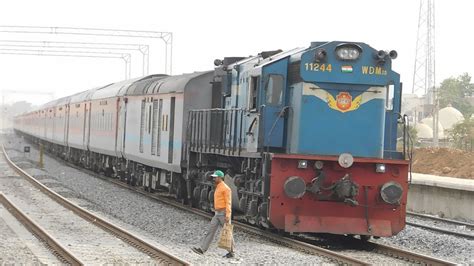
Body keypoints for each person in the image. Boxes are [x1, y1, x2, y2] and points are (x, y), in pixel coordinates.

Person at [191, 170, 235, 258]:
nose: (214, 178)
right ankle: (202, 249)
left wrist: (228, 215)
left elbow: (228, 203)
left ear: (220, 178)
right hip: (217, 213)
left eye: (215, 177)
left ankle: (232, 252)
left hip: (223, 213)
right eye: (214, 177)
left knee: (228, 232)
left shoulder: (226, 188)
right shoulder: (218, 186)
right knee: (211, 231)